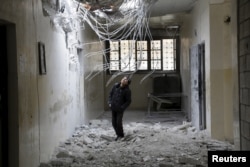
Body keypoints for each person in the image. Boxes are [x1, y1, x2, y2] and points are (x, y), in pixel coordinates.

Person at [108, 76, 132, 141]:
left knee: (118, 123)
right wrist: (110, 102)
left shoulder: (127, 91)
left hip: (120, 109)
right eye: (123, 78)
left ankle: (121, 135)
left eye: (126, 80)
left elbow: (128, 101)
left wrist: (122, 107)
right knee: (114, 123)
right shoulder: (115, 86)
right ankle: (118, 134)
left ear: (127, 83)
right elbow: (110, 94)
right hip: (113, 107)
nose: (124, 80)